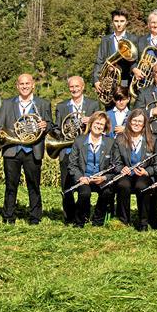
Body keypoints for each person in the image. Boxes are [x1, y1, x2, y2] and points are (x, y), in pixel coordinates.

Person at [0, 73, 51, 225]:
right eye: (22, 84)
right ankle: (8, 216)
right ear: (17, 86)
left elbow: (51, 125)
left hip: (33, 150)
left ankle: (35, 217)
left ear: (33, 85)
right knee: (10, 185)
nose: (25, 86)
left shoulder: (43, 104)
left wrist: (45, 126)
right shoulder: (7, 103)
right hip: (12, 149)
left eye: (28, 83)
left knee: (34, 185)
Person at [54, 75, 101, 226]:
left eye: (77, 86)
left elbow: (99, 124)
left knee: (83, 185)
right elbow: (56, 129)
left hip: (86, 151)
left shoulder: (93, 105)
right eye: (71, 87)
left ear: (83, 87)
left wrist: (91, 120)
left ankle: (83, 215)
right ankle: (69, 217)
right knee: (67, 186)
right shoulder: (61, 106)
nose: (74, 89)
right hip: (67, 150)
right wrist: (64, 131)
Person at [67, 112, 117, 227]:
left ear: (105, 127)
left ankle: (98, 220)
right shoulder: (79, 141)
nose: (98, 126)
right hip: (84, 178)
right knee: (84, 193)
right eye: (96, 123)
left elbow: (115, 166)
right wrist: (80, 177)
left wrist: (104, 177)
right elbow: (72, 164)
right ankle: (80, 220)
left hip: (101, 179)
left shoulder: (110, 143)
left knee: (107, 191)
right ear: (91, 123)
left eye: (101, 124)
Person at [113, 109, 157, 229]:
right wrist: (121, 169)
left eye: (140, 121)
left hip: (143, 174)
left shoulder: (152, 140)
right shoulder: (120, 139)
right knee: (123, 185)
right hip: (126, 174)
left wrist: (147, 171)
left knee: (142, 186)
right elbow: (116, 162)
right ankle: (124, 220)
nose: (137, 124)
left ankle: (143, 221)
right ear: (129, 122)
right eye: (134, 121)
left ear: (144, 124)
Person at [93, 9, 137, 97]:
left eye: (122, 21)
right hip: (108, 81)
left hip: (125, 80)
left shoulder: (133, 39)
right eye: (116, 21)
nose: (119, 24)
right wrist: (96, 80)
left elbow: (135, 60)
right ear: (112, 22)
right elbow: (99, 60)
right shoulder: (105, 40)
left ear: (127, 22)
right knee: (108, 108)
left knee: (124, 107)